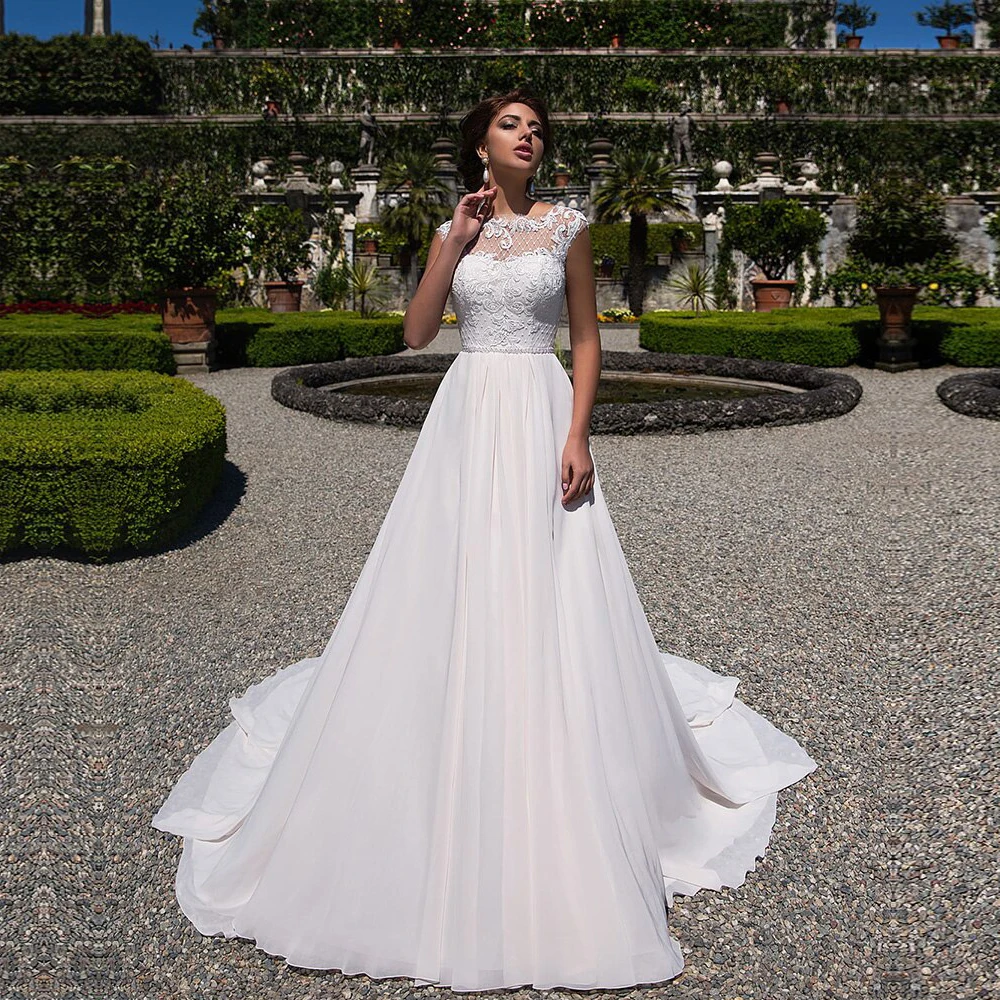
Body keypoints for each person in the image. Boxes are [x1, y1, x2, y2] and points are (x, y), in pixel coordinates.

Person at [151, 88, 818, 993]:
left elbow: (587, 340)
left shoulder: (567, 226)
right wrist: (453, 241)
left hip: (539, 407)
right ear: (480, 147)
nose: (529, 136)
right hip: (466, 413)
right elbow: (416, 332)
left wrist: (578, 435)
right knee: (446, 578)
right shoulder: (454, 227)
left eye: (537, 128)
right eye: (512, 125)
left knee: (551, 580)